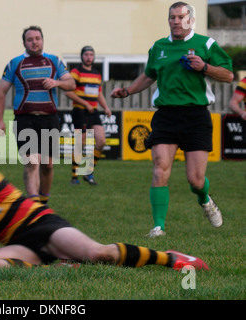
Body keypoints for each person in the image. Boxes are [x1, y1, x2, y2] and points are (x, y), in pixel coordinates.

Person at [0, 131, 209, 272]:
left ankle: (173, 259)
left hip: (43, 225)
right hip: (22, 244)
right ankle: (60, 263)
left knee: (99, 254)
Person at [110, 2, 233, 237]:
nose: (175, 21)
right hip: (166, 115)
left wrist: (204, 66)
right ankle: (158, 227)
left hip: (196, 115)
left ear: (191, 20)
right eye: (172, 17)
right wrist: (127, 91)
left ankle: (205, 200)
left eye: (180, 17)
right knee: (160, 169)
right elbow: (148, 76)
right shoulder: (159, 47)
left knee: (195, 180)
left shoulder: (206, 44)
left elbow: (228, 75)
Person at [0, 25, 76, 204]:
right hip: (25, 119)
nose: (34, 42)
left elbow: (71, 84)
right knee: (32, 162)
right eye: (30, 39)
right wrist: (0, 120)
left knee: (47, 165)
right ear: (24, 42)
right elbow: (1, 92)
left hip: (50, 119)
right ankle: (34, 205)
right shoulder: (15, 63)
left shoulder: (54, 61)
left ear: (42, 40)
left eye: (37, 38)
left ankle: (43, 202)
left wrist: (56, 82)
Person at [65, 46, 111, 185]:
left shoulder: (97, 74)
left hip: (93, 111)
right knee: (81, 142)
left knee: (101, 141)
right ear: (82, 56)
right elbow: (68, 92)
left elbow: (99, 93)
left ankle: (88, 172)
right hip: (80, 111)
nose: (89, 57)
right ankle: (74, 176)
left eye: (91, 54)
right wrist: (85, 103)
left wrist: (106, 107)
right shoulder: (76, 72)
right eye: (86, 54)